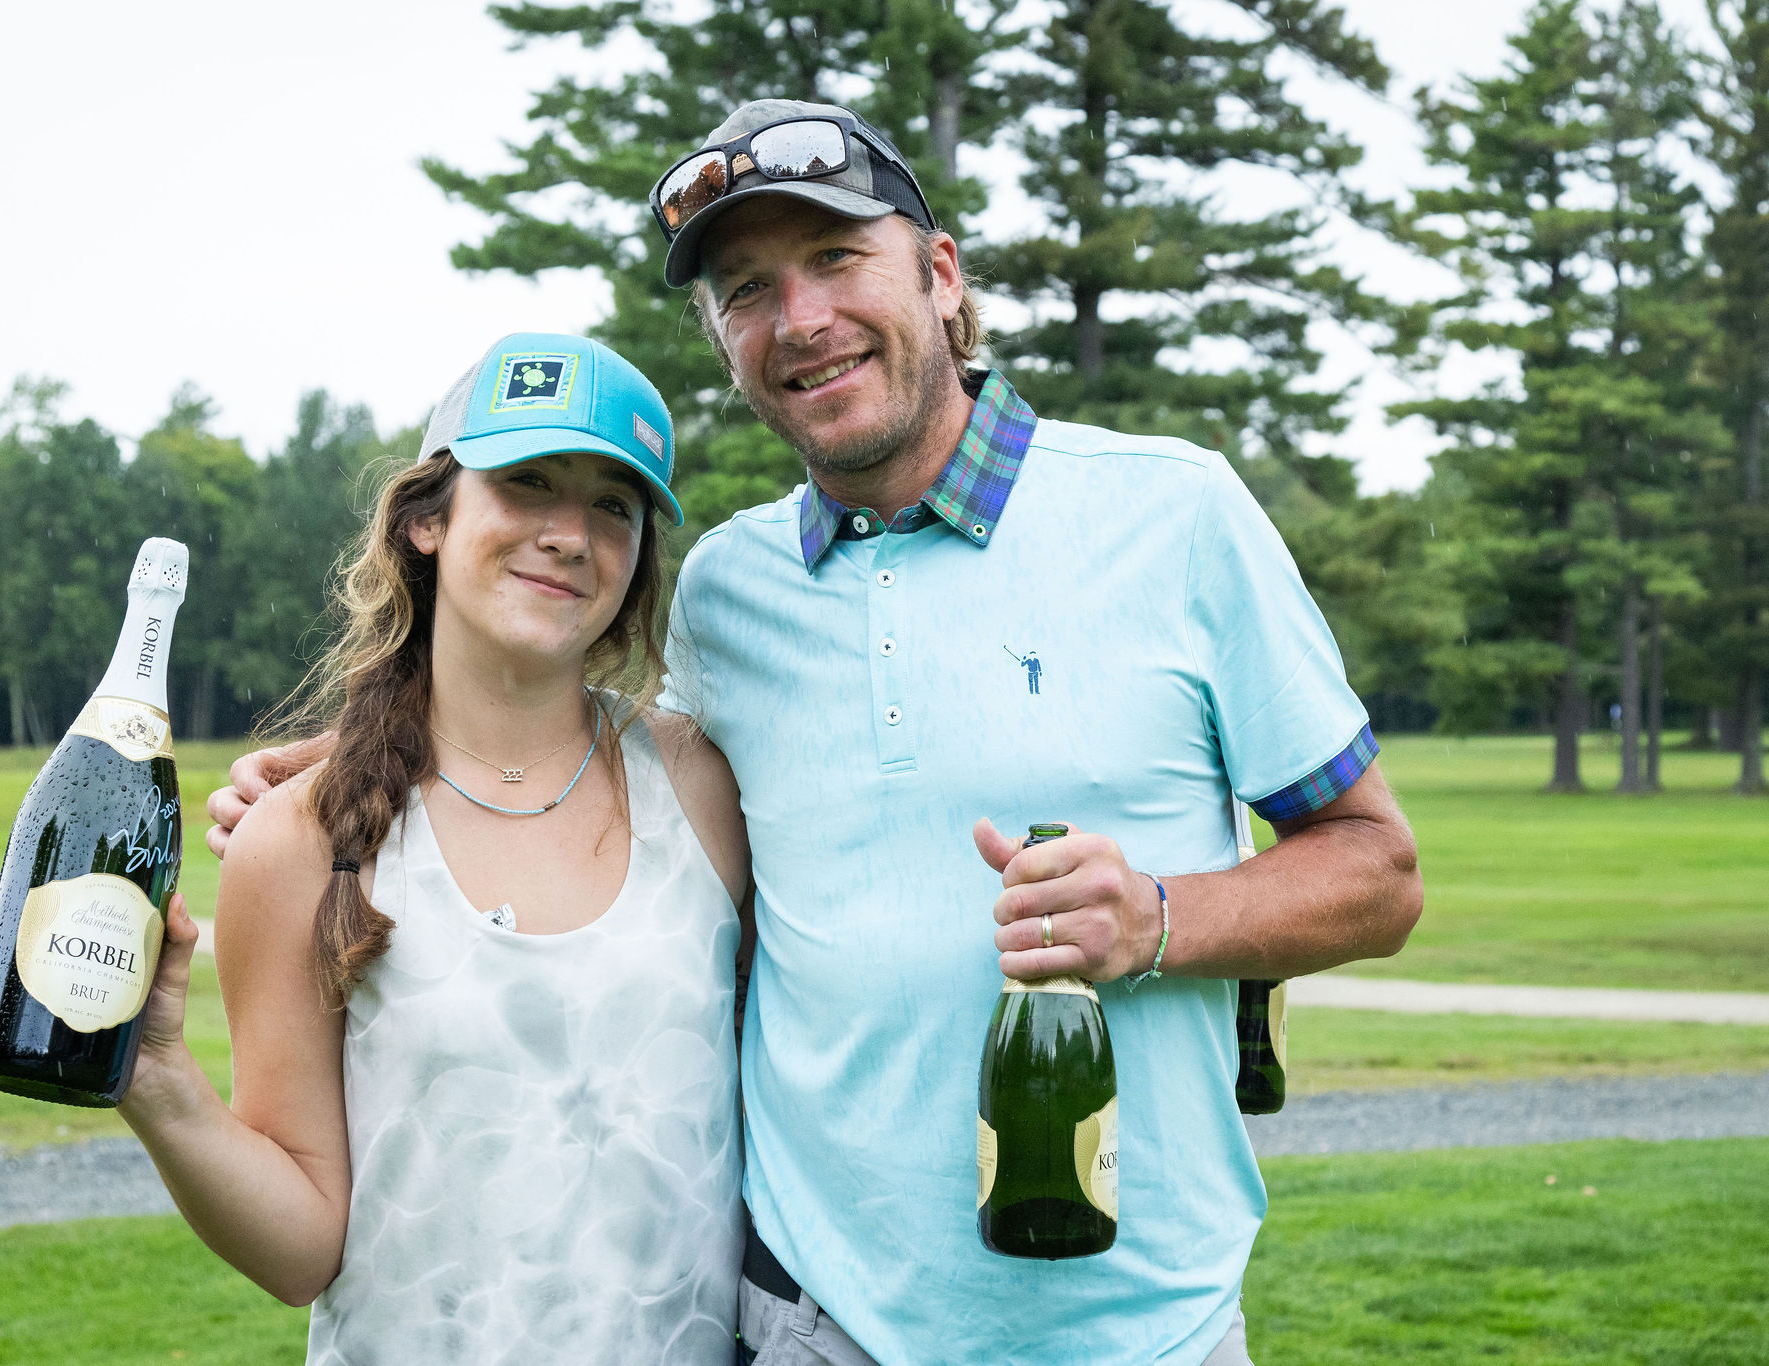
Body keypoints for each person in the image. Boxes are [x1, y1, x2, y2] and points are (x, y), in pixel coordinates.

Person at [213, 101, 1423, 1366]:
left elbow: (1375, 871)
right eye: (747, 289)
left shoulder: (1173, 513)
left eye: (837, 259)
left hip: (1133, 1329)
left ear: (940, 276)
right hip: (808, 1327)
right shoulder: (730, 593)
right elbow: (572, 747)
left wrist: (1162, 918)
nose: (798, 319)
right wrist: (358, 767)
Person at [0, 332, 752, 1365]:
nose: (569, 532)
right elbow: (301, 1248)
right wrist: (155, 1074)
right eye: (525, 482)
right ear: (428, 518)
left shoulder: (702, 786)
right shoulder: (295, 843)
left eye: (612, 504)